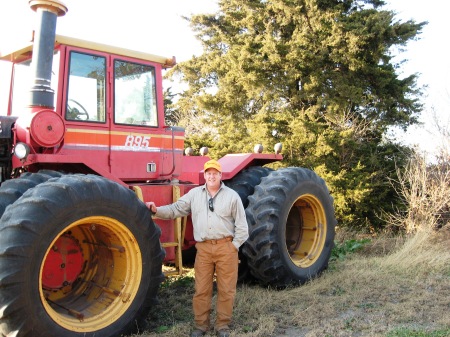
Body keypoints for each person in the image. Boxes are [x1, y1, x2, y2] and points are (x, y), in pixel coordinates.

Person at [146, 159, 249, 337]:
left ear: (220, 175)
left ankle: (222, 326)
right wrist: (156, 210)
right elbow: (175, 209)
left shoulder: (232, 196)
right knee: (201, 289)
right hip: (203, 249)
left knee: (226, 289)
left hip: (226, 248)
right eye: (208, 173)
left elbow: (242, 227)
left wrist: (234, 246)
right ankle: (201, 326)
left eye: (214, 173)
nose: (211, 176)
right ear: (205, 176)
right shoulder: (194, 194)